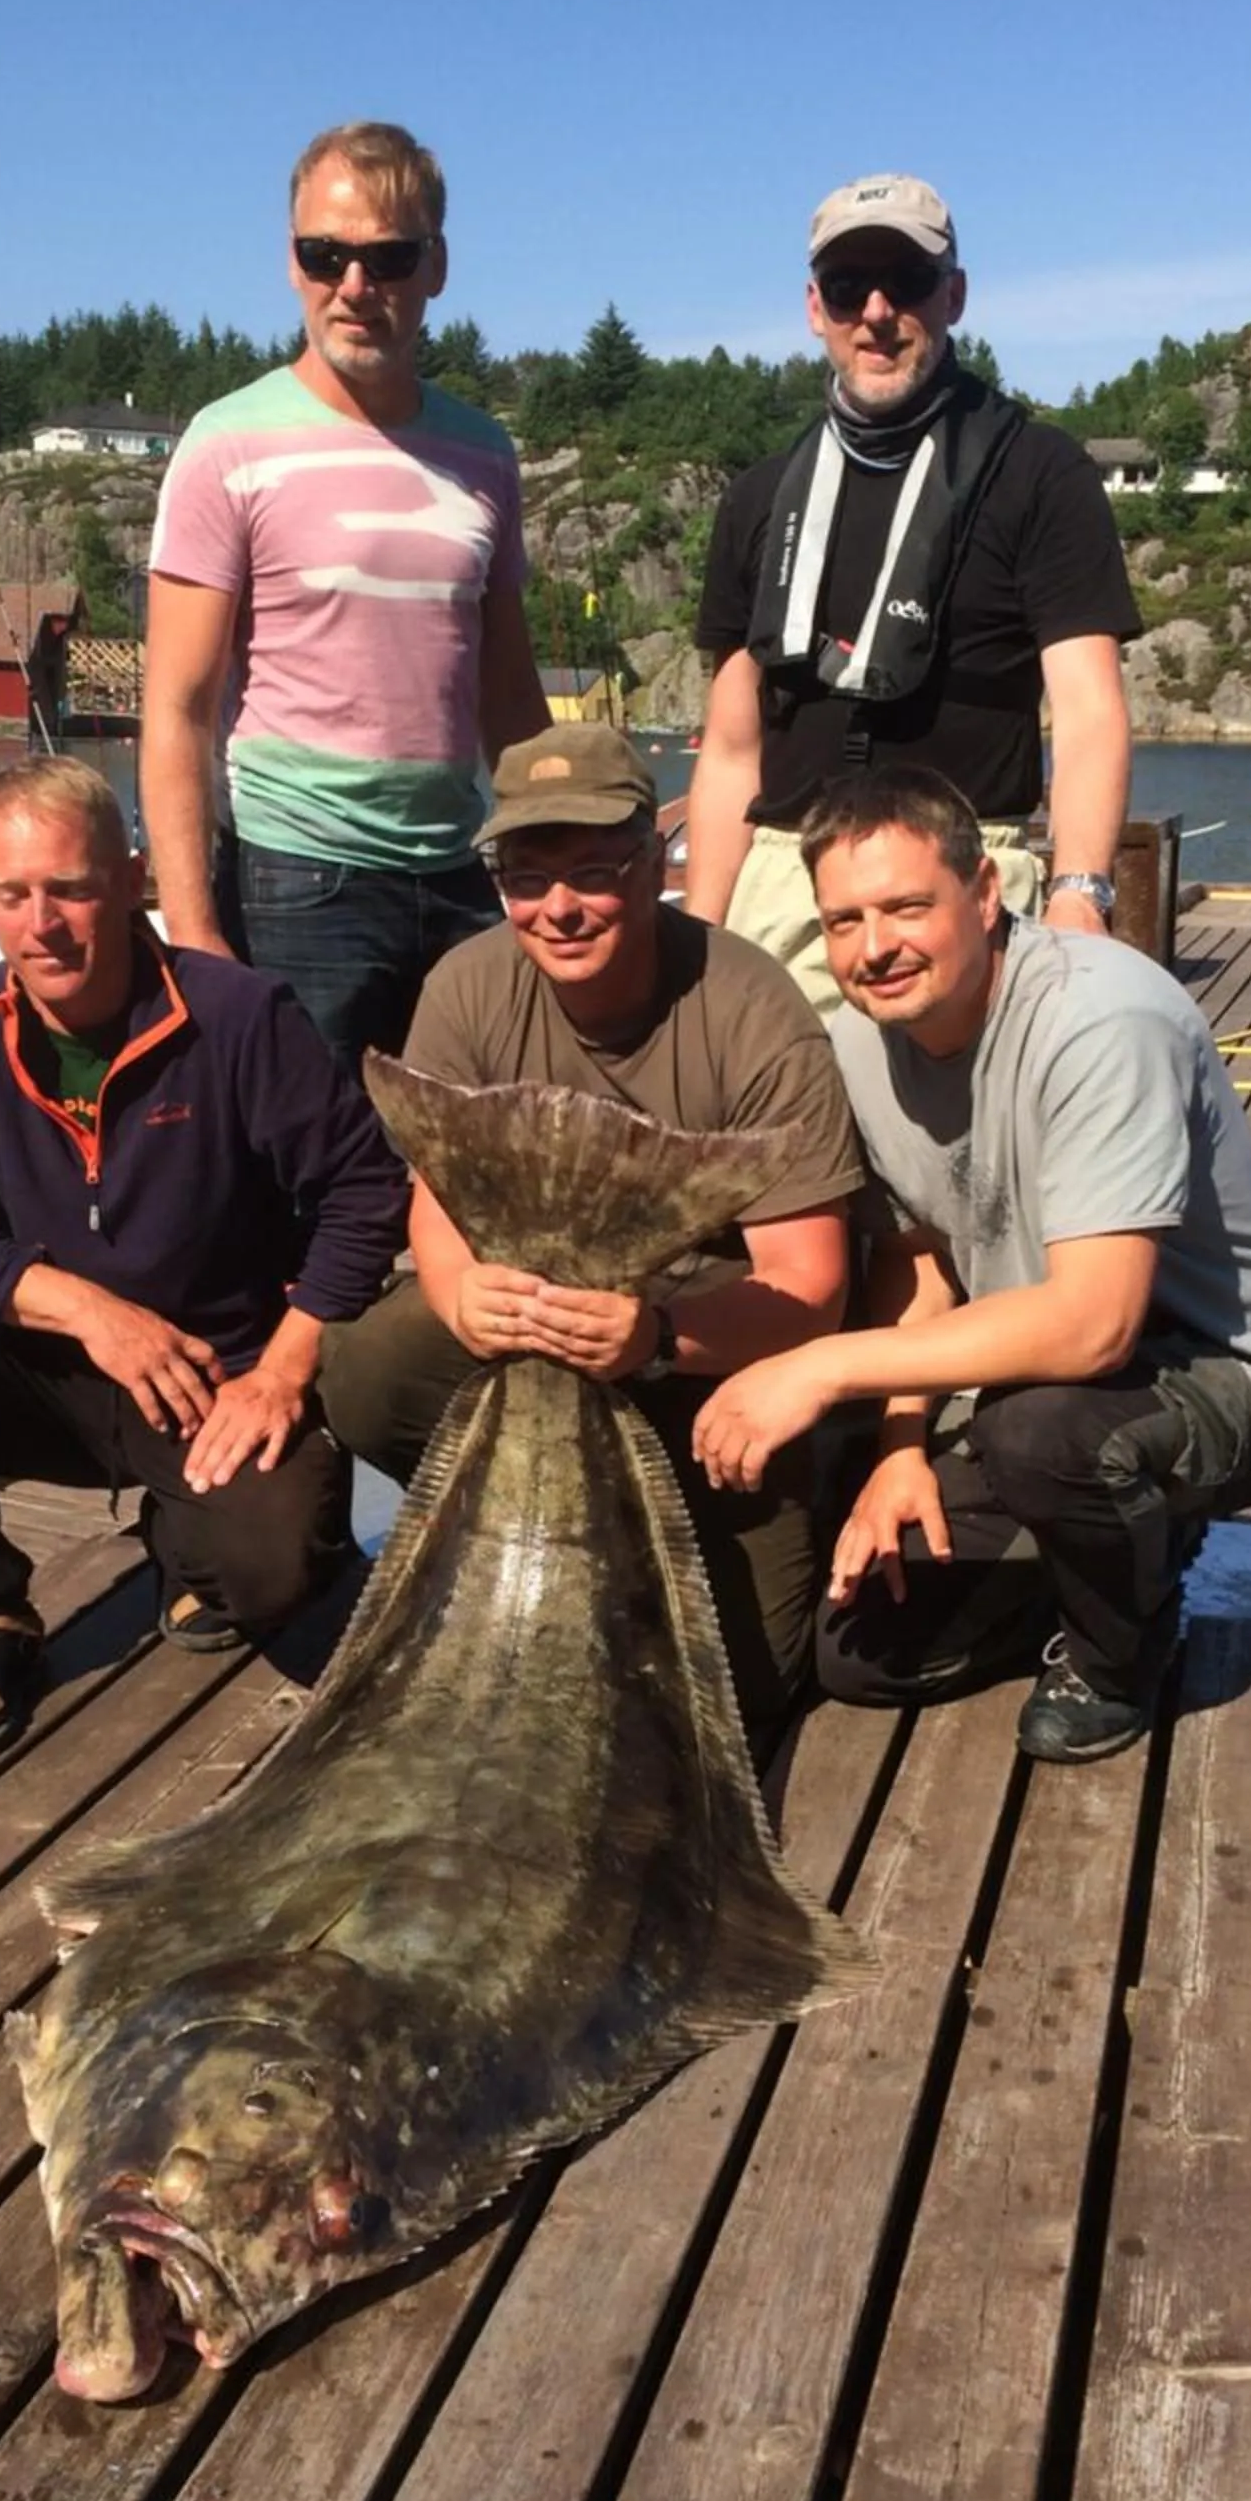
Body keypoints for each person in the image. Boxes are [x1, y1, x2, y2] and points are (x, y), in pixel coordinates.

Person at [691, 766, 1251, 1764]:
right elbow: (919, 1265)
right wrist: (899, 1449)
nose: (876, 948)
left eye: (907, 907)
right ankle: (1098, 1555)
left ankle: (1122, 1649)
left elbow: (1095, 1325)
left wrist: (819, 1367)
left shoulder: (1101, 1018)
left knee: (1049, 1438)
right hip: (1025, 1373)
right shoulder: (863, 1046)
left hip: (1225, 1375)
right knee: (865, 1656)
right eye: (845, 921)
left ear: (985, 894)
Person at [0, 755, 408, 1761]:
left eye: (70, 889)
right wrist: (86, 1310)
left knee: (268, 1575)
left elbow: (368, 1192)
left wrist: (282, 1370)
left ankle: (178, 1544)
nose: (42, 925)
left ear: (128, 882)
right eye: (12, 895)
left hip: (211, 1380)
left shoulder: (237, 1015)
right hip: (52, 1371)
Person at [319, 723, 864, 1742]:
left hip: (704, 1358)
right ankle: (518, 1528)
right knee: (367, 1370)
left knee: (741, 1690)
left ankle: (801, 1478)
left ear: (656, 863)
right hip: (532, 1331)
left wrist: (656, 1340)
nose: (558, 909)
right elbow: (436, 1198)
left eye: (595, 873)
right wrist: (454, 1290)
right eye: (527, 878)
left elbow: (811, 1283)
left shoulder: (752, 1010)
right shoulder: (470, 985)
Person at [142, 118, 551, 1070]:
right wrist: (195, 935)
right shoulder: (226, 444)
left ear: (436, 266)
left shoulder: (484, 454)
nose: (355, 287)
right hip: (296, 887)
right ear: (292, 262)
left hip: (457, 880)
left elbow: (511, 702)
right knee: (305, 1186)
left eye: (389, 257)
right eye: (326, 256)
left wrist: (555, 866)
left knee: (465, 1173)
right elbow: (175, 710)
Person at [684, 172, 1141, 1014]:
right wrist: (702, 931)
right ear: (816, 307)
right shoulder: (756, 498)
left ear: (955, 295)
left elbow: (1087, 711)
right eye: (850, 286)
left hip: (965, 871)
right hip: (791, 883)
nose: (879, 311)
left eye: (910, 281)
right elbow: (730, 747)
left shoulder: (1043, 474)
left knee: (971, 1147)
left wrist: (1082, 890)